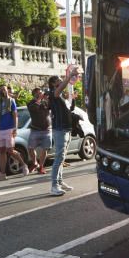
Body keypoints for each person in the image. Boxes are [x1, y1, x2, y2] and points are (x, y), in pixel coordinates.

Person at [48, 67, 79, 196]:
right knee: (59, 157)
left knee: (62, 158)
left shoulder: (60, 96)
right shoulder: (53, 94)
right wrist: (70, 75)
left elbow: (69, 109)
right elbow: (59, 90)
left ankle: (59, 182)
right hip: (60, 129)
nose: (61, 82)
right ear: (54, 84)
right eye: (59, 81)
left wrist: (74, 98)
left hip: (66, 129)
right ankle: (54, 185)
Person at [0, 85, 27, 181]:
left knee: (10, 150)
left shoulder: (11, 101)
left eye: (4, 89)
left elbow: (15, 116)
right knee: (2, 151)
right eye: (1, 90)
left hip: (9, 129)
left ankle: (24, 165)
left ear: (7, 90)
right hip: (0, 129)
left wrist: (15, 128)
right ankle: (2, 174)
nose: (3, 91)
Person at [27, 87, 52, 174]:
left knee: (45, 149)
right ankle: (34, 163)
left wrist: (47, 99)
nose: (41, 94)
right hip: (35, 130)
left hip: (47, 130)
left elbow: (51, 106)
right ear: (34, 95)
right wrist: (39, 99)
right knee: (30, 148)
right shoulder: (31, 103)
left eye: (41, 92)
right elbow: (34, 109)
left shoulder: (45, 102)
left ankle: (41, 166)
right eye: (38, 93)